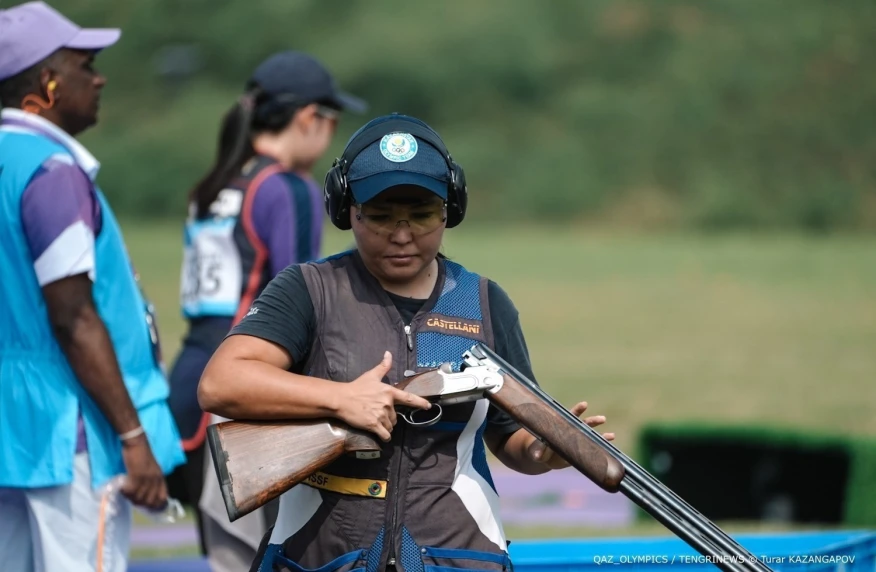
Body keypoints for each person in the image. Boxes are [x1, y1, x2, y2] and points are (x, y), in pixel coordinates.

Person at [197, 113, 615, 572]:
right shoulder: (309, 288)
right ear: (346, 209)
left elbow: (507, 434)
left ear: (449, 211)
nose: (401, 235)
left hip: (455, 555)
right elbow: (221, 383)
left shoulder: (485, 302)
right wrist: (342, 399)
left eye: (421, 216)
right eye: (379, 217)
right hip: (322, 557)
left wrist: (541, 454)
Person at [0, 2, 185, 571]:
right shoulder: (52, 173)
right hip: (71, 429)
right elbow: (73, 316)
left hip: (12, 430)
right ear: (47, 82)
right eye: (86, 64)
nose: (99, 78)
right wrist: (132, 436)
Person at [165, 50, 367, 569]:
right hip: (248, 400)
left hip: (189, 393)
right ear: (308, 119)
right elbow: (307, 306)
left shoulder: (213, 186)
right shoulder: (287, 189)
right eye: (331, 121)